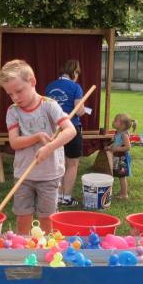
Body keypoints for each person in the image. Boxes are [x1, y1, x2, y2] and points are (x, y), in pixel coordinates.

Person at [0, 59, 76, 235]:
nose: (16, 97)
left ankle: (47, 253)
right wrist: (36, 137)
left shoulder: (49, 105)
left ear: (32, 81)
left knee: (47, 219)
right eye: (10, 94)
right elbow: (14, 142)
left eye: (19, 91)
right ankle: (23, 250)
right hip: (23, 174)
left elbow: (70, 131)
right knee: (22, 217)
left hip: (49, 174)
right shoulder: (13, 111)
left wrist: (49, 147)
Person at [45, 60, 85, 207]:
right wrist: (83, 108)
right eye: (77, 72)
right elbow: (79, 110)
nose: (77, 76)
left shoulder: (50, 86)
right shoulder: (75, 87)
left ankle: (56, 196)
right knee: (72, 164)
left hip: (54, 130)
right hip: (71, 129)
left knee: (57, 163)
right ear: (74, 71)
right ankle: (66, 197)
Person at [105, 113, 136, 199]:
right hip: (117, 157)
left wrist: (117, 149)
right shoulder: (118, 133)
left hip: (122, 158)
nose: (113, 121)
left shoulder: (124, 135)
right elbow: (116, 143)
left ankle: (124, 194)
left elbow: (128, 147)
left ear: (122, 125)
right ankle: (122, 191)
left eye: (115, 121)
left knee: (122, 176)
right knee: (119, 176)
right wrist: (110, 147)